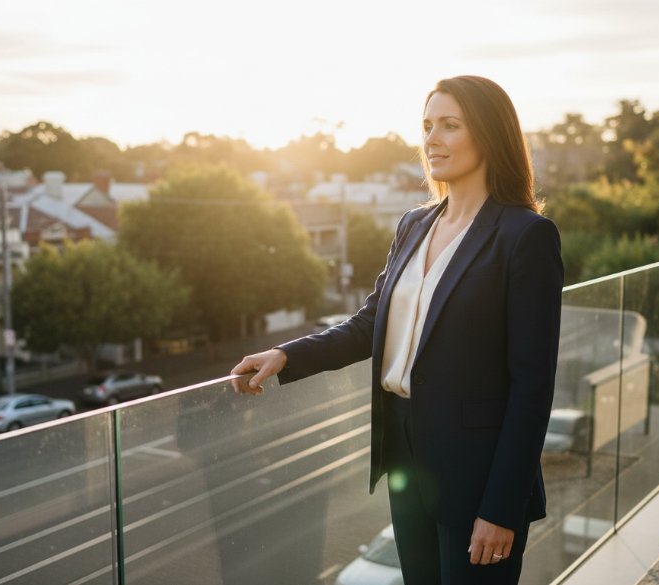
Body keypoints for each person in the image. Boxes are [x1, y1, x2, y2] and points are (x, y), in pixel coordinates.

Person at [231, 75, 563, 585]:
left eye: (450, 125)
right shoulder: (414, 223)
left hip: (478, 471)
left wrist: (501, 507)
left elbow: (532, 387)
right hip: (407, 459)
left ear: (490, 134)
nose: (431, 138)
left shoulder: (525, 236)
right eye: (427, 125)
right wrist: (288, 355)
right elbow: (372, 323)